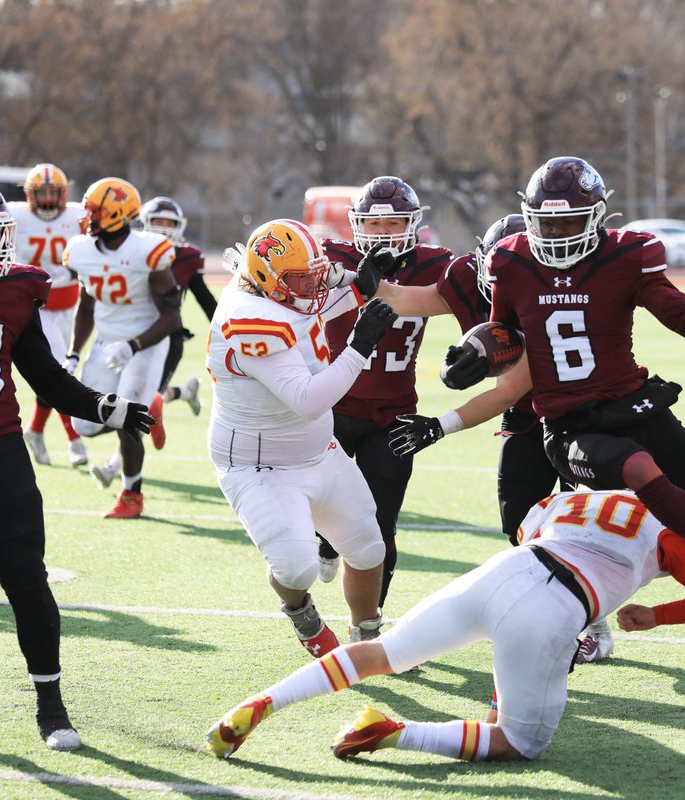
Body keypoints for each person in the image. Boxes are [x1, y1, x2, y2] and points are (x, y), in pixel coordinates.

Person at [430, 156, 685, 598]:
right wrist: (471, 363)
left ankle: (675, 538)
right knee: (637, 467)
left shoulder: (628, 256)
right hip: (569, 424)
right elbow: (507, 339)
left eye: (572, 223)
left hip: (635, 405)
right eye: (547, 224)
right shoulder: (511, 262)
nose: (558, 234)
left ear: (597, 216)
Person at [205, 488, 685, 763]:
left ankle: (261, 703)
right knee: (520, 743)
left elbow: (529, 536)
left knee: (382, 652)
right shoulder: (668, 532)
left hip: (502, 572)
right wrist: (656, 615)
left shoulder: (576, 497)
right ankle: (391, 733)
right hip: (555, 606)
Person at [0, 174, 153, 750]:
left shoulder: (15, 289)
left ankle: (51, 707)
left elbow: (46, 376)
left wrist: (104, 406)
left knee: (27, 581)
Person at [378, 215, 605, 660]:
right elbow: (410, 299)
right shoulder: (466, 277)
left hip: (582, 410)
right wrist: (358, 280)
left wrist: (440, 424)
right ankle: (559, 605)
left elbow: (508, 389)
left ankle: (592, 622)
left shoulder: (554, 288)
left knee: (582, 520)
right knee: (518, 518)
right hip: (525, 415)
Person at [208, 218, 396, 656]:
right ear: (265, 279)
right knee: (295, 567)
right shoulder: (248, 318)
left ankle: (367, 640)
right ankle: (302, 615)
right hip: (259, 466)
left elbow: (313, 296)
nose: (312, 288)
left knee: (369, 546)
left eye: (311, 276)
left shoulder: (272, 288)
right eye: (300, 280)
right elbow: (309, 399)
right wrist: (359, 346)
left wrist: (358, 285)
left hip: (316, 450)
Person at [317, 176, 454, 634]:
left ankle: (368, 627)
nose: (384, 232)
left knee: (382, 526)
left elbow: (483, 298)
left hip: (394, 413)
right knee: (316, 511)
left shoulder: (434, 264)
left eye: (395, 221)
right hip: (330, 406)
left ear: (414, 224)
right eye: (374, 224)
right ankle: (324, 542)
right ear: (356, 225)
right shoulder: (331, 257)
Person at [63, 178, 181, 518]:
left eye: (95, 212)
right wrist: (73, 353)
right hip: (106, 342)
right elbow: (86, 306)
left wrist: (133, 346)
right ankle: (150, 410)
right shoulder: (82, 250)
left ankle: (131, 494)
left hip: (147, 343)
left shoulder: (147, 250)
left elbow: (172, 318)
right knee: (85, 424)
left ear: (116, 214)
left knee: (129, 418)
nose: (87, 218)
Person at [9, 163, 91, 467]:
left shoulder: (77, 217)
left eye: (52, 192)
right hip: (36, 304)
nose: (45, 199)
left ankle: (35, 429)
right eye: (40, 192)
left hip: (71, 303)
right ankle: (75, 440)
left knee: (57, 371)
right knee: (60, 371)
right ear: (29, 194)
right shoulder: (13, 214)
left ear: (63, 194)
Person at [139, 196, 216, 443]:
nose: (163, 227)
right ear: (145, 222)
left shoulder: (185, 258)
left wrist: (227, 330)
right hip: (135, 332)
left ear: (179, 226)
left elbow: (205, 300)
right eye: (157, 221)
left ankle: (115, 467)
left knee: (149, 401)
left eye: (168, 222)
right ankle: (185, 392)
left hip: (170, 335)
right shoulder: (131, 252)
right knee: (139, 396)